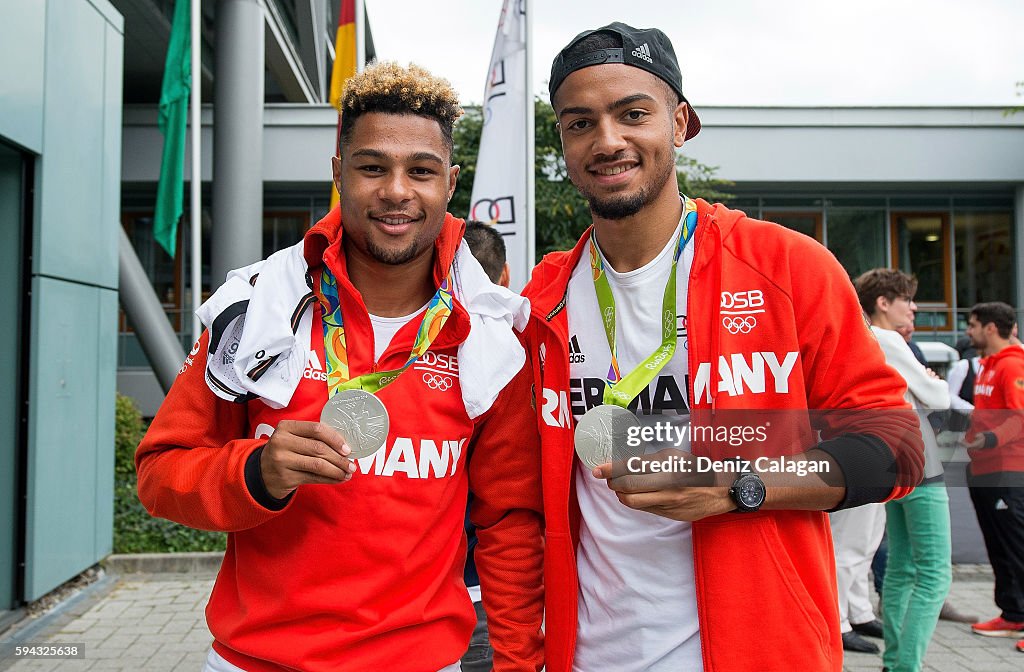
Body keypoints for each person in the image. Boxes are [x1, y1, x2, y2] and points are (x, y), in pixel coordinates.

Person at [522, 22, 924, 672]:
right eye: (579, 123)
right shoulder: (543, 301)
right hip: (590, 656)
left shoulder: (787, 266)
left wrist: (742, 483)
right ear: (563, 142)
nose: (608, 140)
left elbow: (899, 448)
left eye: (633, 114)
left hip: (762, 651)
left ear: (680, 123)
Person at [135, 62, 544, 672]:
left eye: (422, 171)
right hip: (256, 662)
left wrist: (516, 663)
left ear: (450, 182)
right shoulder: (261, 305)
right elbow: (159, 473)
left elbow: (509, 523)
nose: (397, 191)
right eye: (373, 167)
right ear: (338, 173)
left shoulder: (489, 332)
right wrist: (256, 473)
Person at [854, 268, 952, 671]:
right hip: (920, 458)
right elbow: (939, 396)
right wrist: (930, 381)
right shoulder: (889, 339)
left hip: (890, 463)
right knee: (934, 574)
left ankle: (895, 660)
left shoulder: (861, 337)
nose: (912, 307)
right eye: (906, 299)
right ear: (883, 302)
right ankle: (904, 666)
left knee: (901, 566)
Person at [459, 220, 509, 672]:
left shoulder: (411, 348)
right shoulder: (519, 355)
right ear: (505, 277)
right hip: (486, 597)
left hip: (424, 595)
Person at [962, 302, 1024, 654]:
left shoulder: (1013, 364)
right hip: (985, 469)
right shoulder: (986, 366)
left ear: (989, 328)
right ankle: (1013, 612)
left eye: (972, 325)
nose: (968, 331)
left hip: (1009, 469)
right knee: (999, 548)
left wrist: (990, 439)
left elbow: (1019, 417)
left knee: (1017, 547)